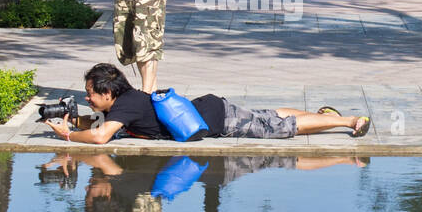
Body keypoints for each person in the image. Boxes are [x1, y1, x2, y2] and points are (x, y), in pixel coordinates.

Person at [43, 63, 371, 143]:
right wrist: (72, 119)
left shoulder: (125, 106)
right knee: (268, 114)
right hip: (210, 107)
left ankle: (349, 121)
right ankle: (322, 115)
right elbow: (100, 126)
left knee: (278, 128)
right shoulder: (124, 102)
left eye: (90, 93)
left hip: (216, 120)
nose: (86, 99)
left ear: (108, 93)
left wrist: (67, 135)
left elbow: (100, 137)